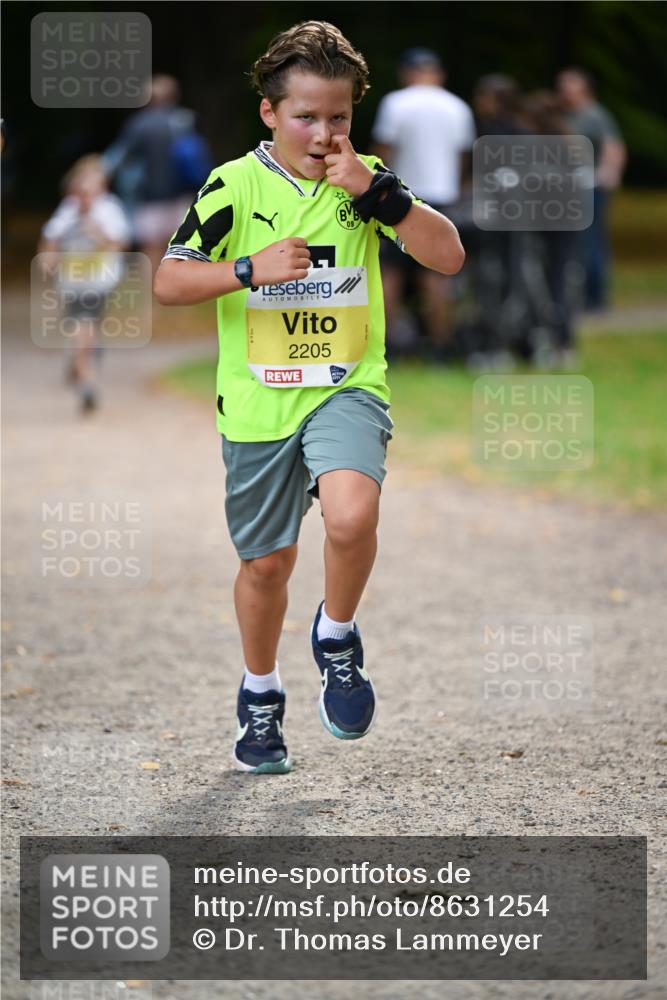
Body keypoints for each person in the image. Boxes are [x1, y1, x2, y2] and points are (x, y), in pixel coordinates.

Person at [154, 21, 464, 774]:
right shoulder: (234, 185)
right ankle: (260, 694)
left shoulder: (367, 181)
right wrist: (247, 270)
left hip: (345, 386)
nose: (324, 134)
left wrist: (375, 192)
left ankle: (336, 634)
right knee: (267, 566)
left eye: (338, 118)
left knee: (353, 515)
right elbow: (168, 282)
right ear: (269, 113)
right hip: (258, 402)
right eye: (305, 117)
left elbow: (447, 256)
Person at [371, 48, 475, 356]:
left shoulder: (395, 103)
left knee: (391, 271)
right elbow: (461, 157)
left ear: (406, 73)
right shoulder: (458, 107)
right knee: (436, 273)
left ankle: (387, 345)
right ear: (438, 73)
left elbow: (383, 152)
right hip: (441, 197)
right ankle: (440, 343)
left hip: (400, 194)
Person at [39, 155, 130, 413]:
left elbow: (121, 244)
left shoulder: (109, 209)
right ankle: (85, 373)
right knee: (84, 328)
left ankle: (83, 371)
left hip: (99, 281)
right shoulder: (67, 210)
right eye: (80, 190)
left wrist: (98, 233)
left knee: (85, 327)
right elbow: (50, 239)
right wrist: (49, 258)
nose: (83, 196)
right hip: (71, 280)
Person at [104, 75, 212, 273]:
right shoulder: (185, 120)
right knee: (181, 249)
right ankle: (180, 292)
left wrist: (99, 172)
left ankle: (154, 294)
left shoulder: (140, 124)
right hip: (182, 195)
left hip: (150, 197)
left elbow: (119, 157)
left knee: (151, 248)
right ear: (174, 96)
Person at [556, 67, 626, 310]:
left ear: (584, 87)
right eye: (562, 84)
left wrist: (609, 174)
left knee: (591, 242)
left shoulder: (595, 115)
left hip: (589, 187)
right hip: (565, 187)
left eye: (570, 84)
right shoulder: (562, 115)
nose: (564, 89)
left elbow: (613, 147)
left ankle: (595, 299)